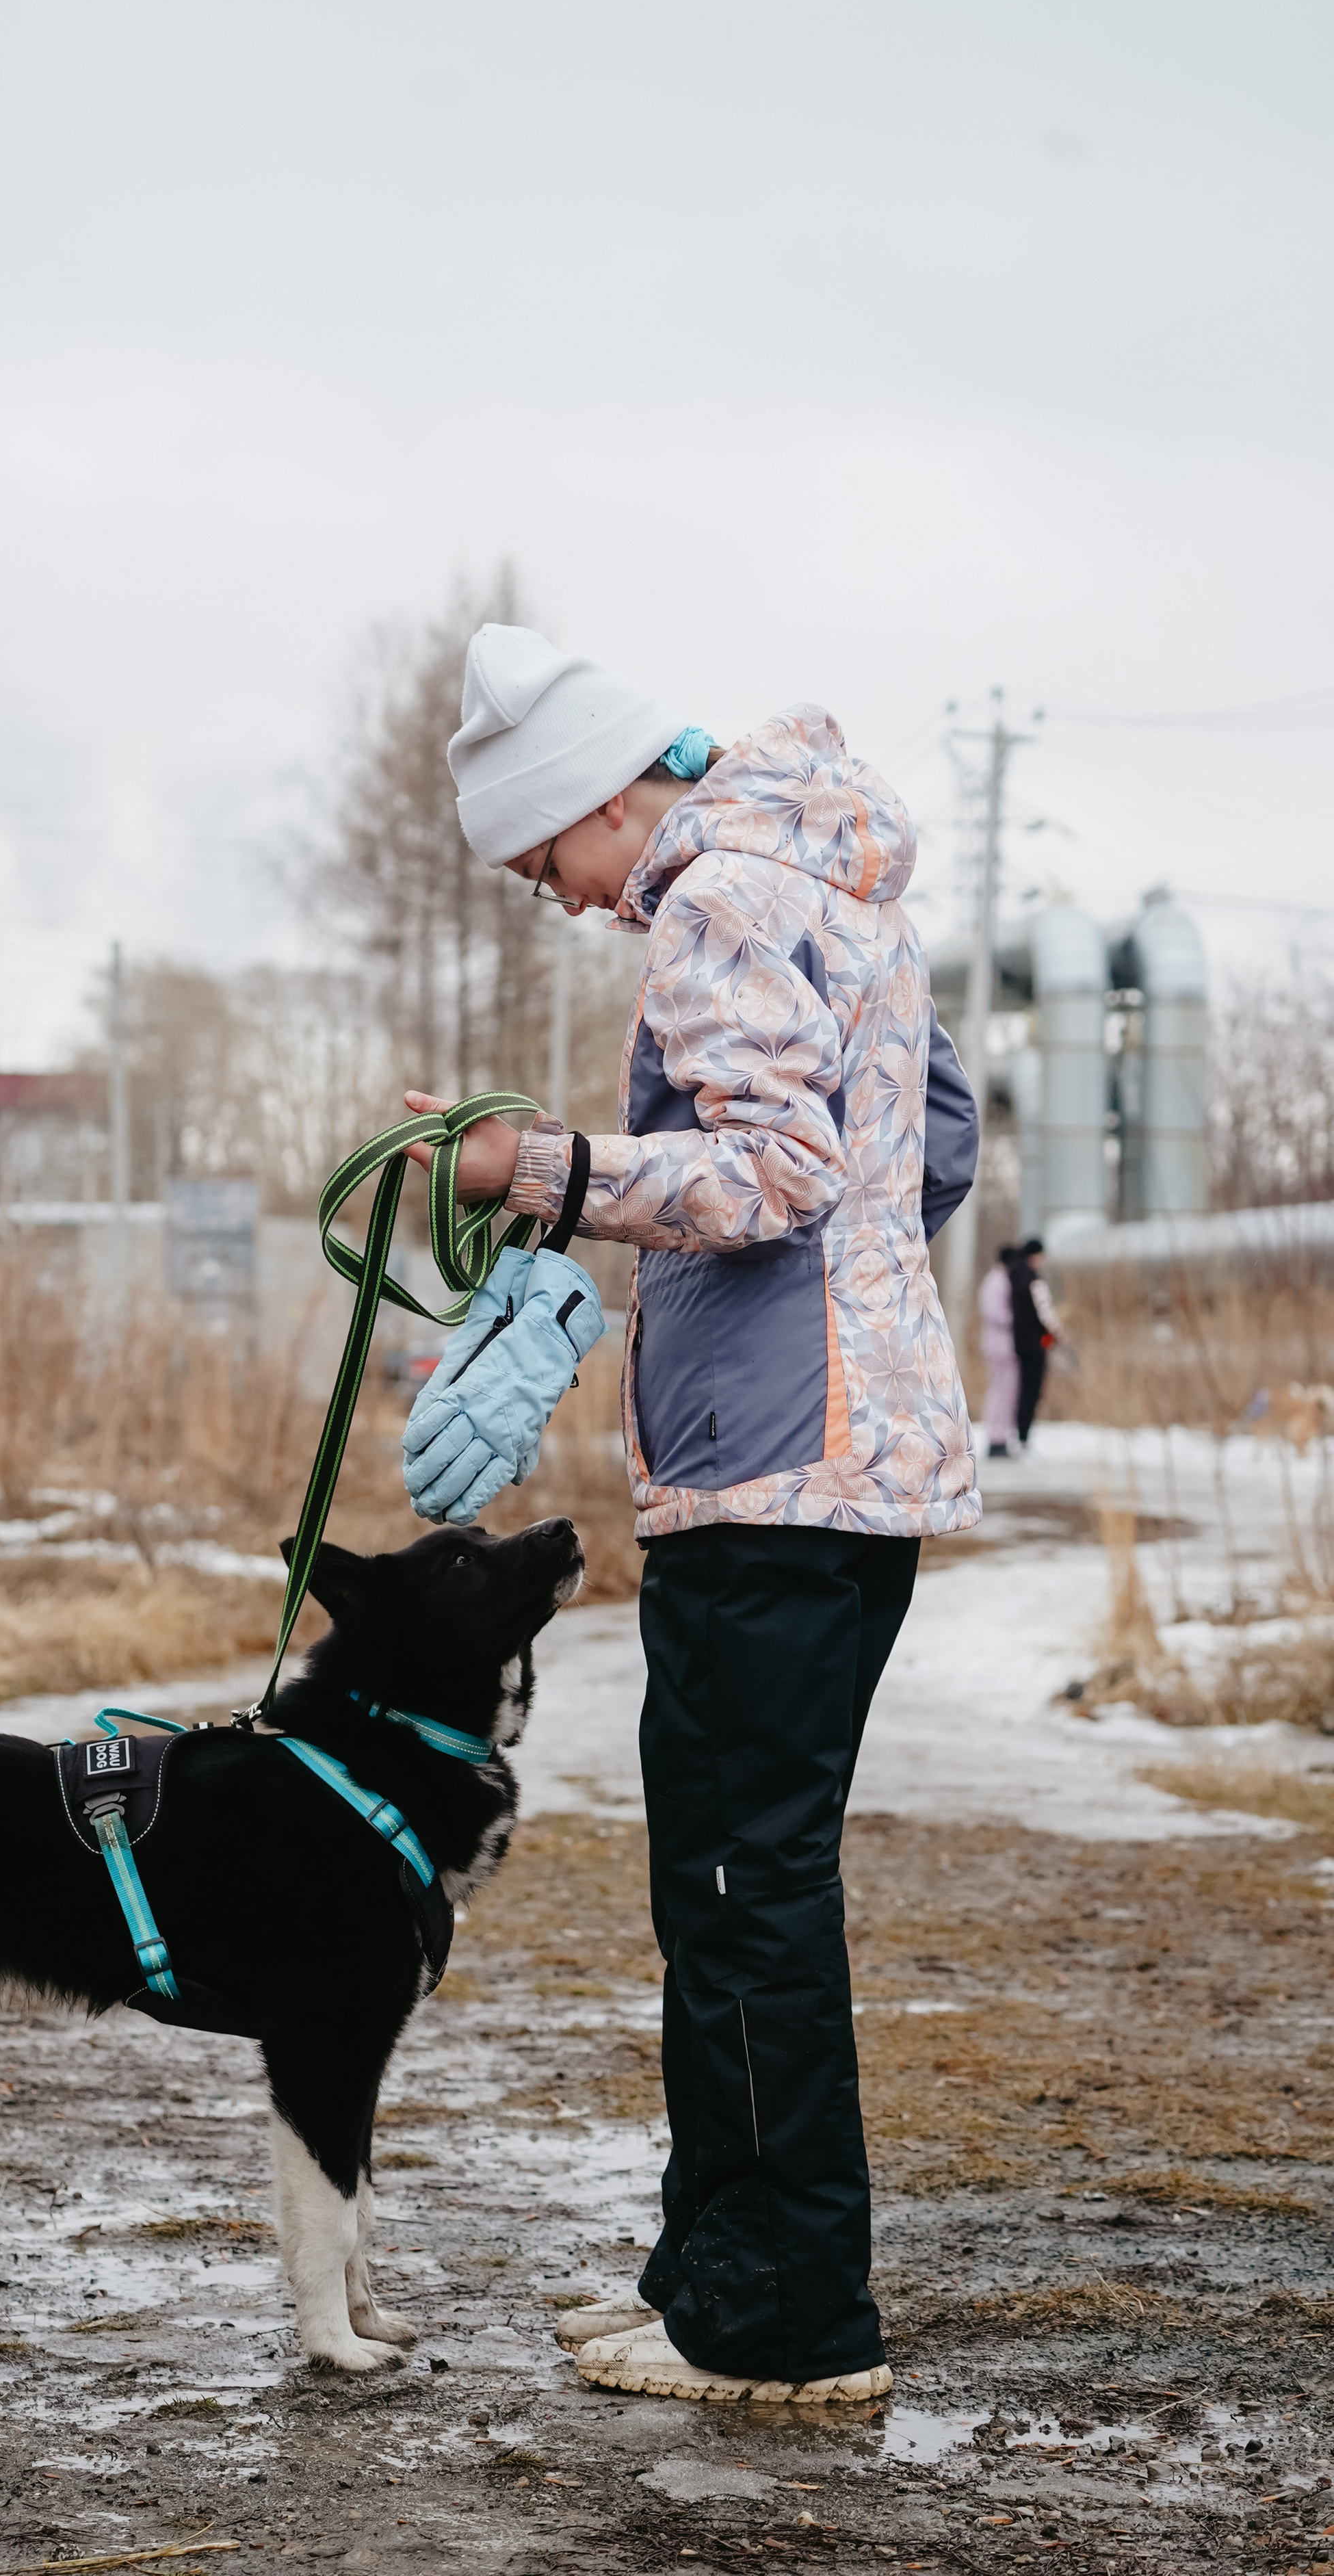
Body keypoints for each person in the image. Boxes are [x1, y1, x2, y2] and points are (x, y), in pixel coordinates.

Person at [405, 625, 980, 2406]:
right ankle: (714, 2279)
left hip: (769, 1468)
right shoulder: (841, 888)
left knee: (738, 1897)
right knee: (740, 1883)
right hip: (851, 1460)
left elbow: (775, 1170)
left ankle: (783, 2330)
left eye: (545, 865)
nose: (570, 903)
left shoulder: (714, 897)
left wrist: (536, 1172)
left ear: (599, 798)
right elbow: (933, 1141)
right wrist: (845, 1291)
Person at [1008, 1235, 1064, 1445]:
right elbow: (1045, 1312)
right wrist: (1057, 1333)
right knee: (1033, 1391)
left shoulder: (1014, 1276)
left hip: (1020, 1342)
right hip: (1037, 1343)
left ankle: (1019, 1434)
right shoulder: (1034, 1280)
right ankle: (1024, 1437)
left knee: (1023, 1390)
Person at [980, 1245, 1021, 1457]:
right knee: (1000, 1393)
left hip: (1001, 1345)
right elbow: (994, 1312)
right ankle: (996, 1438)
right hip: (999, 1346)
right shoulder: (997, 1281)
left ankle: (1001, 1437)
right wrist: (1019, 1319)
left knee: (1004, 1393)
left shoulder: (997, 1280)